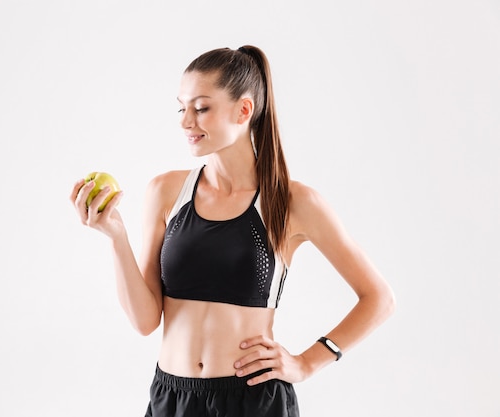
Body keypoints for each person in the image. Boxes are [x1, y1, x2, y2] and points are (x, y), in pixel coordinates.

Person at [70, 45, 395, 417]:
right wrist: (116, 237)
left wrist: (307, 362)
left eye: (201, 108)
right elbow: (145, 321)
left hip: (252, 401)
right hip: (172, 398)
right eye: (182, 107)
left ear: (244, 110)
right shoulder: (165, 192)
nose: (185, 121)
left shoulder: (292, 201)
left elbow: (378, 298)